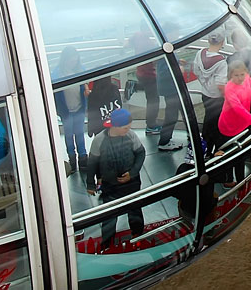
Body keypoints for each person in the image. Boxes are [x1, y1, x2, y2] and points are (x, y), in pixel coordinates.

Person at [85, 108, 146, 248]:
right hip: (110, 186)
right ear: (115, 126)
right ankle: (107, 244)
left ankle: (138, 234)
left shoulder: (131, 136)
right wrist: (90, 184)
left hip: (131, 183)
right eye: (125, 128)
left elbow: (141, 154)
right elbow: (92, 163)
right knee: (109, 216)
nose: (128, 130)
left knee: (135, 210)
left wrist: (132, 173)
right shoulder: (99, 140)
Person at [213, 59, 251, 184]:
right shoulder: (229, 89)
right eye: (236, 75)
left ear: (246, 73)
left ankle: (240, 181)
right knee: (230, 156)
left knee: (240, 155)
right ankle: (229, 180)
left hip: (243, 125)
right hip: (228, 128)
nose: (240, 78)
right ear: (230, 75)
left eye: (242, 74)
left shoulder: (247, 79)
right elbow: (239, 110)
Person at [127, 30, 184, 150]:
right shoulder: (153, 44)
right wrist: (179, 68)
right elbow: (163, 68)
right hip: (151, 76)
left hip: (141, 72)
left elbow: (127, 43)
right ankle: (153, 128)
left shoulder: (138, 34)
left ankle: (136, 86)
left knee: (153, 99)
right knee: (154, 101)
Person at [191, 31, 228, 158]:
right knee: (216, 123)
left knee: (208, 119)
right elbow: (221, 84)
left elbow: (195, 69)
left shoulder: (200, 53)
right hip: (217, 98)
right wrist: (227, 98)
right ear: (222, 42)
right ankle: (212, 150)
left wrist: (204, 83)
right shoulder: (221, 61)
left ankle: (205, 144)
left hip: (205, 93)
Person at [53, 47, 89, 176]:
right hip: (66, 110)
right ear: (65, 59)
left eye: (75, 58)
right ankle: (72, 159)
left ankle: (83, 158)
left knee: (79, 133)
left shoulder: (81, 70)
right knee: (69, 135)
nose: (73, 60)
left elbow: (86, 85)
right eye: (71, 58)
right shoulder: (57, 74)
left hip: (79, 108)